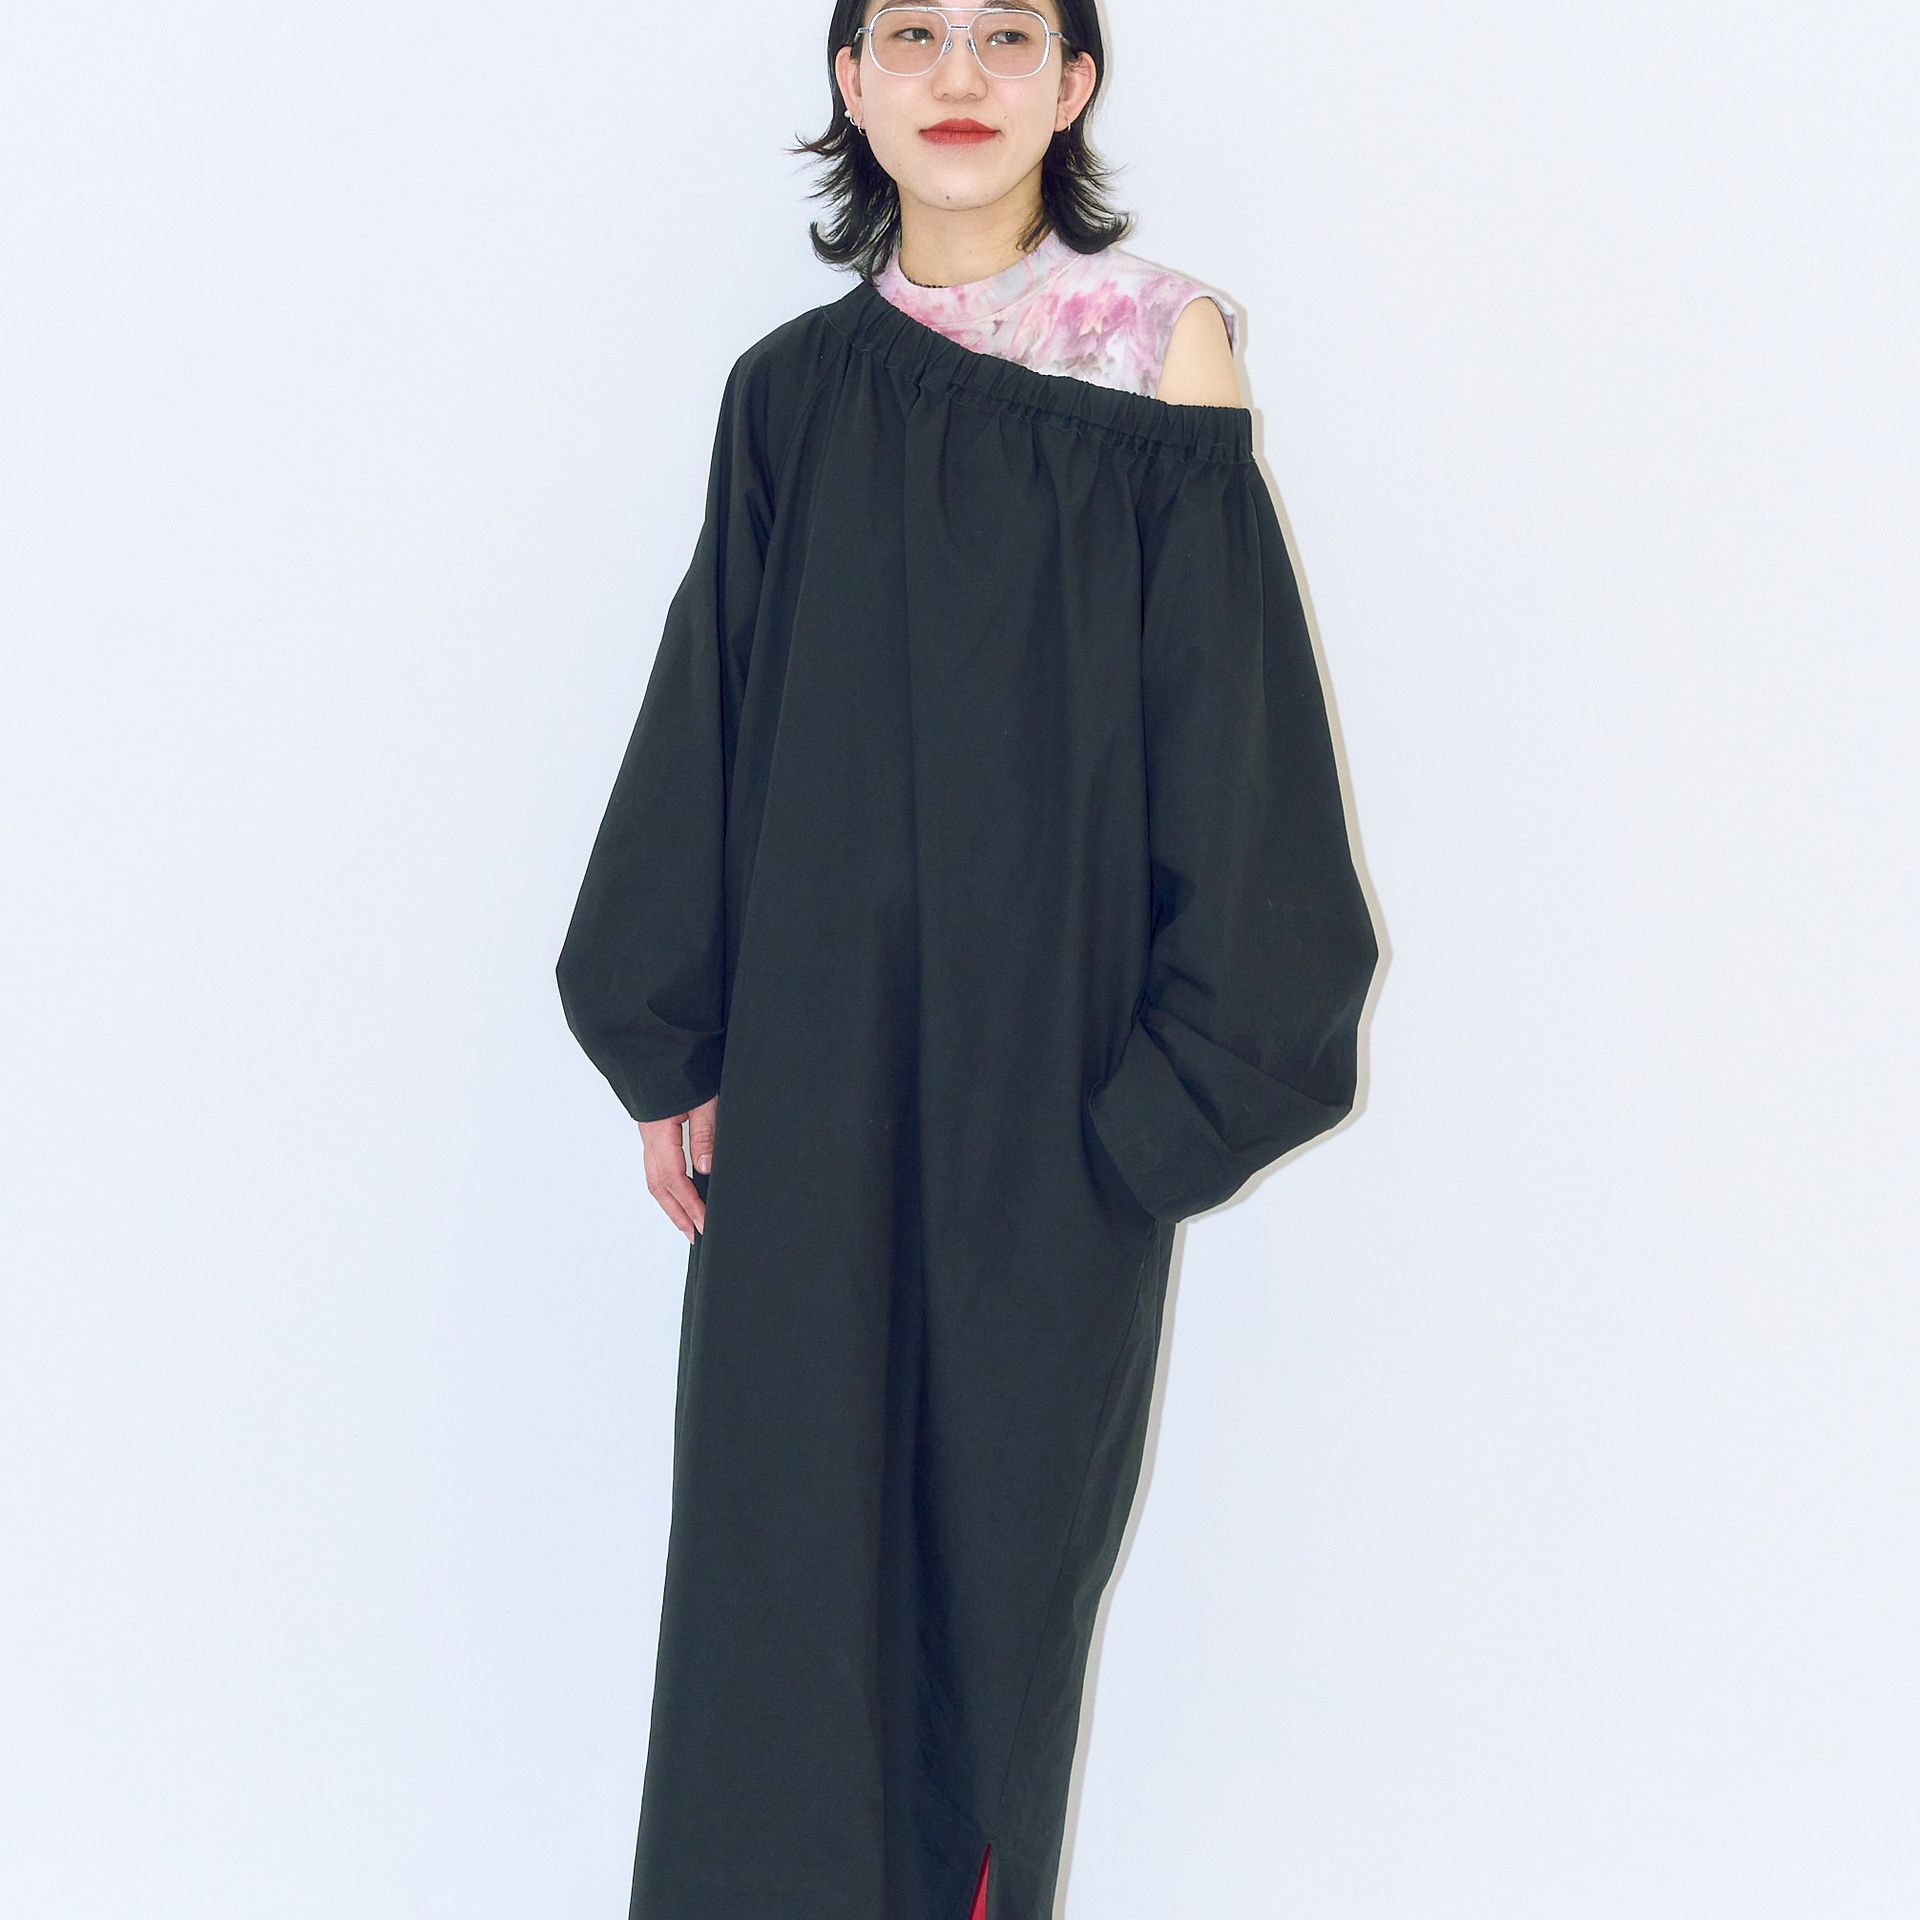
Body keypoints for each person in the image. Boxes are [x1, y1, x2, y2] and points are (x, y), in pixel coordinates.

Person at [554, 4, 1381, 1914]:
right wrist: (672, 1040)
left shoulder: (1159, 352)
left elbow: (1235, 752)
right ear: (849, 84)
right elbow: (713, 715)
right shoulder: (789, 394)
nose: (958, 75)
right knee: (776, 1608)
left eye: (1010, 36)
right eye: (911, 33)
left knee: (984, 1632)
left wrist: (1148, 1129)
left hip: (1048, 1118)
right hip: (814, 1094)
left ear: (1073, 88)